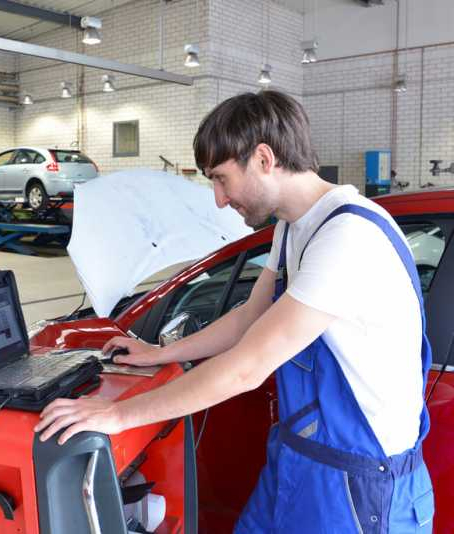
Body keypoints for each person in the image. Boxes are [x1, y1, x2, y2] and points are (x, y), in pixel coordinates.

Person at [34, 90, 434, 533]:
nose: (220, 200)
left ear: (264, 158)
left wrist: (117, 415)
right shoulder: (293, 226)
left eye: (221, 179)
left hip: (359, 486)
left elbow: (247, 368)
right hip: (301, 461)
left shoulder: (347, 237)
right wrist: (157, 353)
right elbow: (249, 318)